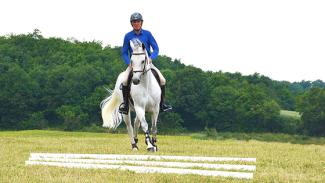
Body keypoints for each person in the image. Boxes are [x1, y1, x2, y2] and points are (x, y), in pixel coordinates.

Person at [119, 12, 172, 114]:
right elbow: (124, 52)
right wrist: (128, 62)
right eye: (134, 22)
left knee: (162, 80)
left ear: (141, 22)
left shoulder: (148, 34)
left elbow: (156, 49)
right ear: (131, 23)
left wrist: (152, 57)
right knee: (125, 81)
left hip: (147, 63)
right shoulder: (128, 36)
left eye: (138, 21)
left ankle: (162, 104)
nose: (136, 23)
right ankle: (125, 105)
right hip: (134, 65)